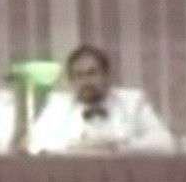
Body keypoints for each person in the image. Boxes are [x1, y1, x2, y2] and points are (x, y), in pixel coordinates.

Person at [29, 44, 175, 154]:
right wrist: (76, 147)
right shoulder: (58, 105)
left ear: (106, 75)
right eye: (78, 75)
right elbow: (34, 143)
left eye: (91, 73)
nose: (85, 81)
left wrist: (122, 147)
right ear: (71, 81)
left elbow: (165, 143)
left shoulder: (133, 101)